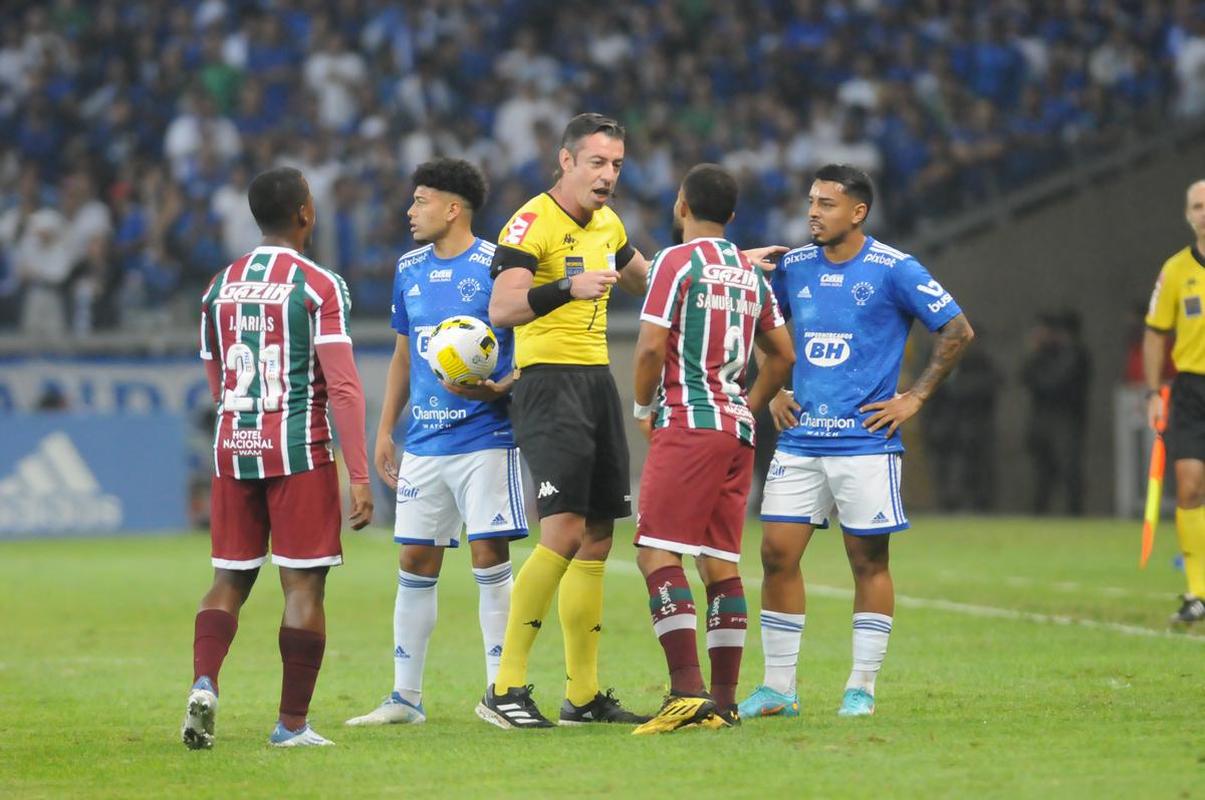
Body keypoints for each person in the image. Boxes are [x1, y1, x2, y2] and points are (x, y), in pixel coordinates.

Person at [478, 113, 783, 729]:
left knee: (596, 536)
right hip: (549, 382)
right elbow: (502, 307)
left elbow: (659, 277)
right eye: (597, 162)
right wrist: (566, 288)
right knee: (561, 531)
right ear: (565, 161)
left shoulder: (610, 225)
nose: (608, 176)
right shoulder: (530, 221)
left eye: (616, 164)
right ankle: (504, 688)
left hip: (595, 385)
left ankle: (583, 696)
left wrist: (725, 258)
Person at [738, 164, 974, 720]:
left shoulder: (896, 269)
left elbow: (958, 331)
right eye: (812, 202)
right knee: (775, 555)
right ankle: (778, 689)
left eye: (826, 204)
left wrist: (913, 398)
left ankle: (861, 686)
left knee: (867, 560)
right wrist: (772, 388)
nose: (813, 213)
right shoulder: (792, 267)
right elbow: (758, 328)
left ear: (858, 211)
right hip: (800, 440)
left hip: (865, 442)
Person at [182, 166, 373, 750]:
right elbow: (342, 386)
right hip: (298, 451)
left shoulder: (218, 286)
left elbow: (217, 379)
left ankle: (205, 682)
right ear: (305, 213)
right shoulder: (318, 285)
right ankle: (291, 724)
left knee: (227, 581)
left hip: (233, 449)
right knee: (302, 588)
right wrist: (359, 474)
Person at [345, 159, 527, 727]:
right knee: (415, 558)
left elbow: (531, 346)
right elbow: (404, 353)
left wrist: (500, 386)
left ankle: (503, 689)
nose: (410, 210)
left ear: (453, 208)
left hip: (485, 436)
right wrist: (385, 430)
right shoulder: (409, 268)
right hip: (424, 440)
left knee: (488, 555)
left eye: (421, 200)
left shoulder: (501, 263)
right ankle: (405, 698)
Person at [629, 164, 795, 734]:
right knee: (720, 562)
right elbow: (783, 355)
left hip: (689, 424)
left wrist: (642, 408)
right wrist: (748, 405)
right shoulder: (751, 275)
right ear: (731, 215)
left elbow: (651, 348)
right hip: (737, 433)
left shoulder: (675, 262)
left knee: (655, 552)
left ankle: (686, 692)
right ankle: (722, 702)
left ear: (681, 205)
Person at [1143, 179, 1205, 624]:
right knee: (1189, 486)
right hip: (1190, 390)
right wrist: (1152, 391)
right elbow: (1154, 333)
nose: (1204, 212)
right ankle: (1197, 591)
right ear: (1188, 214)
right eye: (1198, 206)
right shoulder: (1175, 271)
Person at [1020, 310, 1091, 515]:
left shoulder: (1074, 353)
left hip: (1065, 419)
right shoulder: (1045, 354)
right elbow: (1024, 376)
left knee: (1068, 469)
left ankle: (1074, 513)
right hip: (1043, 419)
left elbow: (1053, 384)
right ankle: (1040, 512)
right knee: (1042, 470)